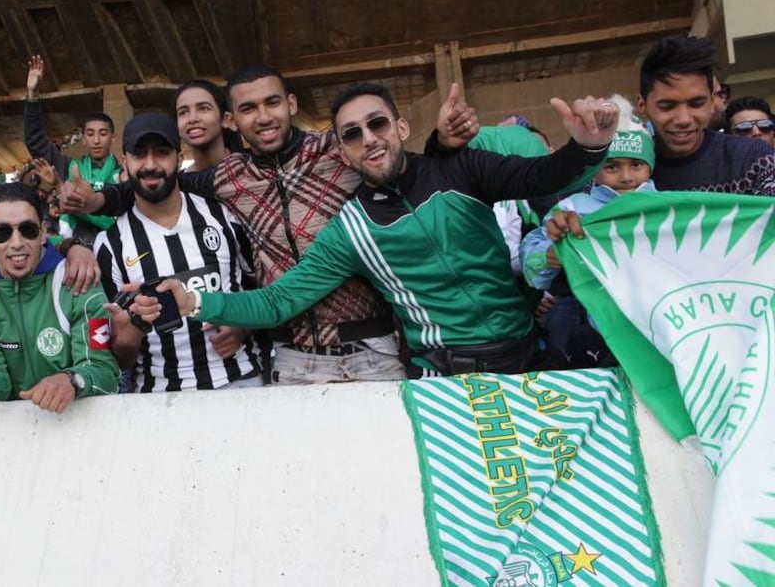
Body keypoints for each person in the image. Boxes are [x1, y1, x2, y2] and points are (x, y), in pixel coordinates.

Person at [136, 81, 616, 376]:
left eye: (377, 124)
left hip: (527, 362)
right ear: (339, 150)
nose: (368, 140)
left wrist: (589, 146)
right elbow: (279, 300)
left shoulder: (463, 169)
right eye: (351, 134)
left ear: (400, 128)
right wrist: (193, 301)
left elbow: (544, 175)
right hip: (442, 382)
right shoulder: (352, 230)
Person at [67, 67, 478, 384]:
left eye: (272, 103)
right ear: (233, 119)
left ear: (292, 104)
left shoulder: (337, 148)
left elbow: (399, 167)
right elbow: (154, 183)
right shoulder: (228, 178)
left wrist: (439, 145)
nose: (263, 117)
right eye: (248, 108)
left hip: (373, 348)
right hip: (292, 356)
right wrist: (84, 232)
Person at [93, 113, 269, 392]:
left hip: (241, 383)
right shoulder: (109, 245)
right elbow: (119, 357)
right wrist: (131, 330)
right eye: (139, 154)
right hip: (159, 397)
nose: (151, 165)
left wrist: (242, 326)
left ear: (179, 157)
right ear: (124, 161)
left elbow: (266, 294)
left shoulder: (224, 216)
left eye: (161, 153)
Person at [0, 183, 118, 413]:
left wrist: (72, 381)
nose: (17, 243)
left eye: (27, 230)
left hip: (76, 424)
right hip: (8, 433)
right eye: (3, 232)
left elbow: (105, 372)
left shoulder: (78, 277)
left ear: (42, 232)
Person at [520, 121, 657, 368]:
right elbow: (532, 250)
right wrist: (550, 255)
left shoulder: (669, 206)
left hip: (657, 327)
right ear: (595, 170)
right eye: (612, 166)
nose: (626, 177)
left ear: (650, 165)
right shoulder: (573, 209)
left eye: (636, 165)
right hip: (595, 331)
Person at [637, 35, 774, 195]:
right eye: (667, 106)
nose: (684, 119)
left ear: (712, 102)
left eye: (696, 104)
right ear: (642, 105)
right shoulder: (621, 169)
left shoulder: (753, 160)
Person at [23, 54, 121, 243]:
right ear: (83, 138)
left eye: (103, 133)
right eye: (90, 134)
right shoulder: (70, 167)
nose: (96, 140)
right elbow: (35, 140)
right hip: (71, 249)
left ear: (113, 137)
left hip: (113, 251)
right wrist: (32, 94)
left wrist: (60, 187)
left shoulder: (123, 174)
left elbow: (114, 220)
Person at [174, 79, 242, 172]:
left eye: (203, 108)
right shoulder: (177, 184)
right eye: (183, 112)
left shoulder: (255, 172)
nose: (192, 119)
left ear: (226, 119)